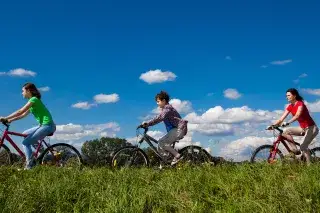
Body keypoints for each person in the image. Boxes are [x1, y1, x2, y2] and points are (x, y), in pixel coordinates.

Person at [0, 83, 56, 169]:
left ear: (28, 91)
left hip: (48, 125)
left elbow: (20, 111)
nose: (22, 93)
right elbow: (22, 115)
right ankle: (42, 152)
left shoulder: (34, 99)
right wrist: (9, 120)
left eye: (23, 91)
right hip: (42, 125)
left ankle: (29, 166)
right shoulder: (32, 102)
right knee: (25, 133)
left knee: (26, 143)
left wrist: (5, 117)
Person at [273, 88, 318, 165]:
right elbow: (281, 119)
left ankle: (309, 166)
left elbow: (297, 115)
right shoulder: (290, 106)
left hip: (312, 128)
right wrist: (273, 126)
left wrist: (288, 122)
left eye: (288, 95)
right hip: (303, 129)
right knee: (285, 131)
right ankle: (295, 150)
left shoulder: (300, 104)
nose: (287, 97)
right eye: (286, 96)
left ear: (294, 96)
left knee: (303, 146)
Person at [142, 91, 188, 165]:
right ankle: (169, 161)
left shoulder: (167, 108)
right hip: (175, 130)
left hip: (179, 129)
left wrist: (148, 124)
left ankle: (176, 156)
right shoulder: (166, 109)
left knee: (161, 142)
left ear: (163, 101)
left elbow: (160, 117)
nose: (157, 103)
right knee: (161, 145)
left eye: (158, 101)